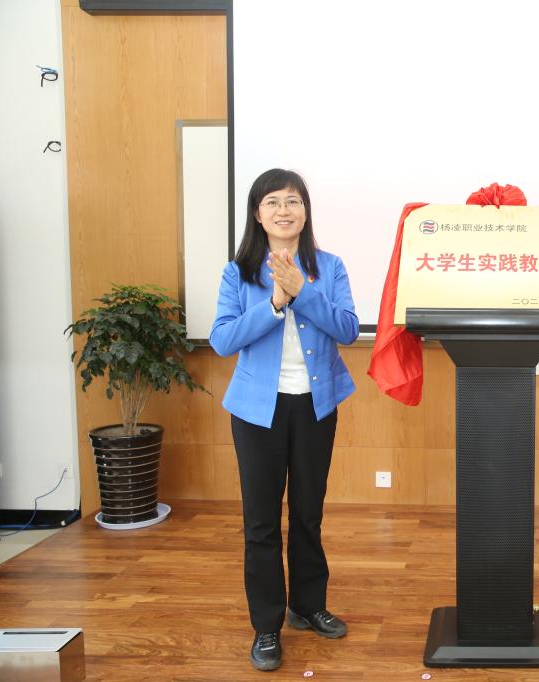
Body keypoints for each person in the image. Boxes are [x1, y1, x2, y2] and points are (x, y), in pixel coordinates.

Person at [210, 168, 359, 671]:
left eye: (293, 201)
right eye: (272, 201)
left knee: (308, 513)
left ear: (305, 211)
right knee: (261, 522)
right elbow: (222, 339)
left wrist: (303, 291)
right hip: (258, 411)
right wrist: (276, 301)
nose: (284, 210)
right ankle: (267, 625)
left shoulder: (329, 266)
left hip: (316, 405)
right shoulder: (238, 272)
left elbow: (348, 329)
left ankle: (308, 606)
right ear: (258, 214)